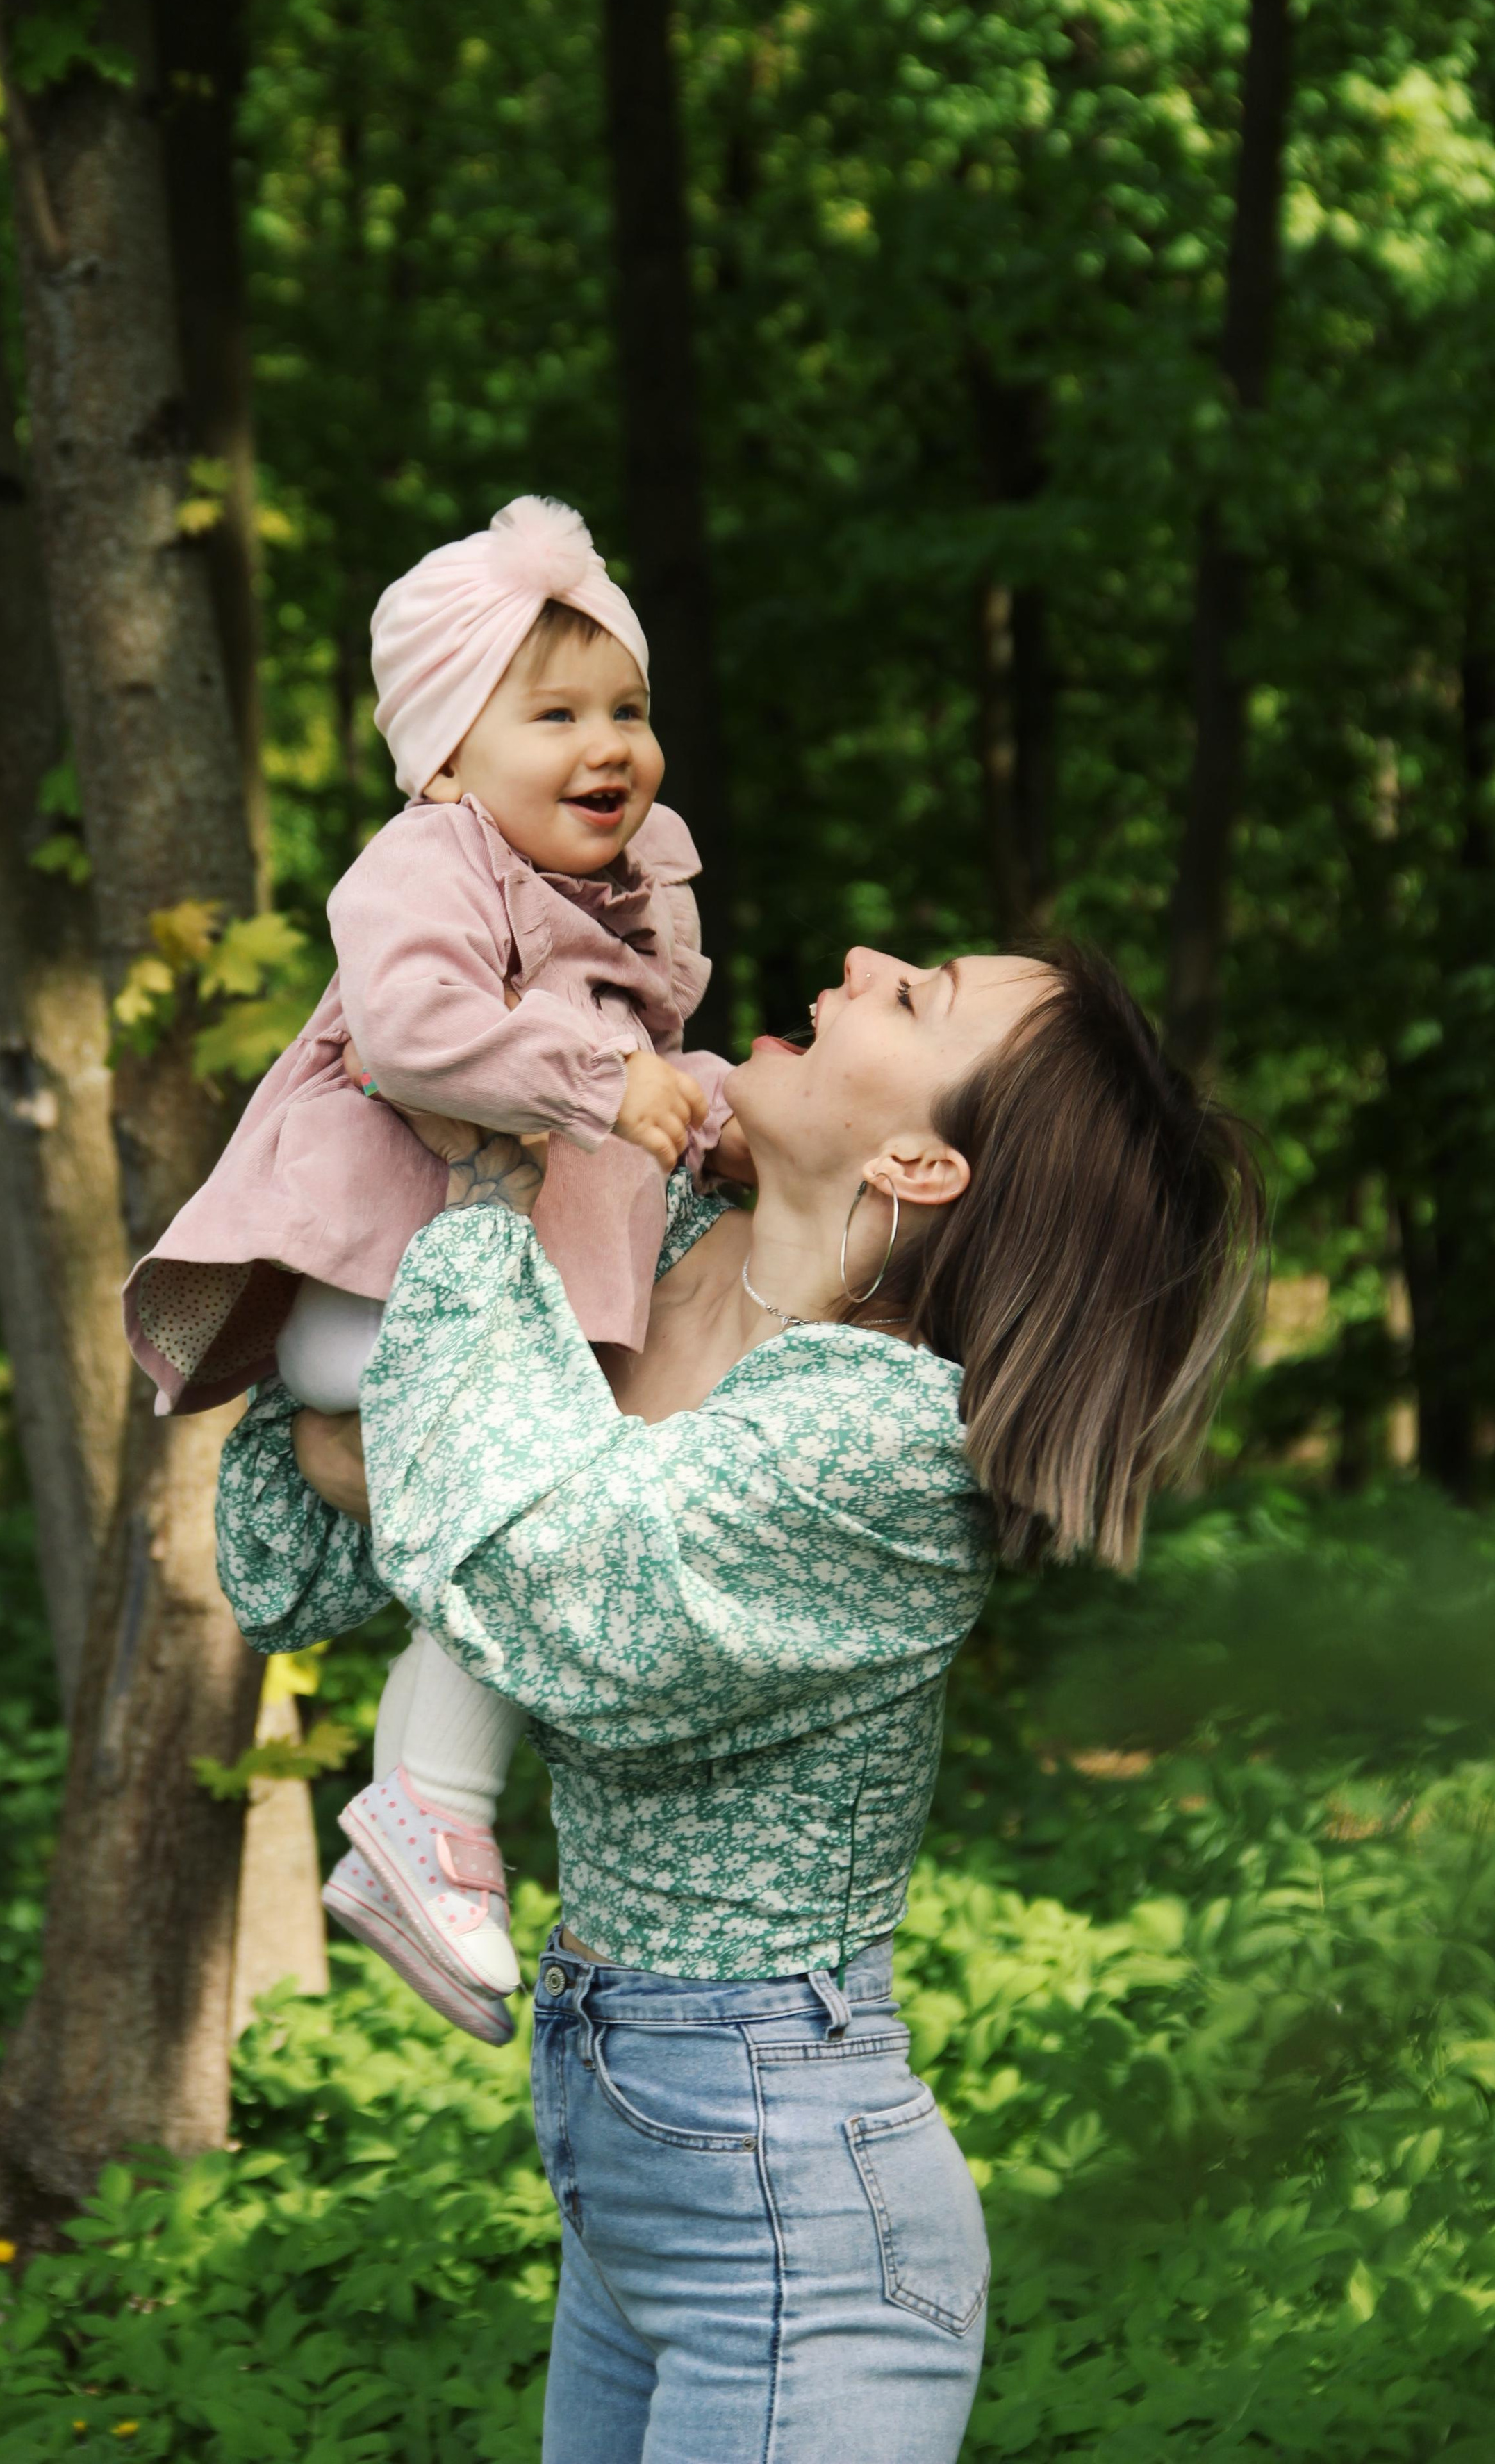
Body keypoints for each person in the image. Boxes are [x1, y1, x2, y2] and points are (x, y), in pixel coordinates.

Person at [213, 937, 1265, 2464]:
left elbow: (538, 1590)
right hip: (630, 2166)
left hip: (790, 2208)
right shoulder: (645, 1246)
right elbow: (292, 1563)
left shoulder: (889, 1451)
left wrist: (484, 1208)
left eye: (914, 999)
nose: (859, 958)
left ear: (917, 1160)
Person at [125, 495, 741, 2036]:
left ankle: (431, 1818)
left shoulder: (606, 893)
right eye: (553, 714)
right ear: (445, 754)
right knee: (538, 1501)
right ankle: (425, 1806)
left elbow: (636, 1068)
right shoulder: (428, 862)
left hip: (480, 1298)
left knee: (524, 1534)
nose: (607, 744)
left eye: (627, 709)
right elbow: (413, 1034)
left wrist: (717, 1110)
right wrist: (607, 1091)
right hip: (377, 1285)